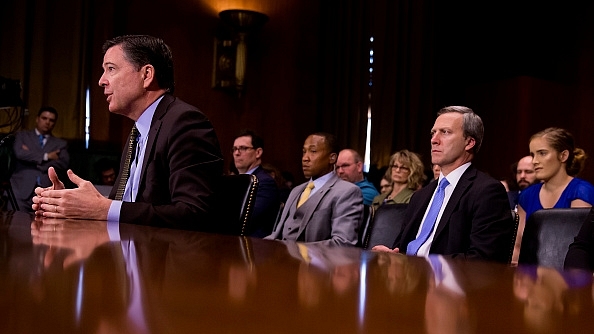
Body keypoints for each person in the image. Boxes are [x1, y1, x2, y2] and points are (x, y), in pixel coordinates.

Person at [31, 35, 224, 230]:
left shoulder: (185, 123)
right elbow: (125, 206)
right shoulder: (138, 131)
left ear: (146, 75)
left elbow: (193, 213)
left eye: (111, 69)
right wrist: (69, 203)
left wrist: (102, 208)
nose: (101, 81)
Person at [373, 106, 514, 263]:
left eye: (445, 132)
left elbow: (483, 259)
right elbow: (402, 248)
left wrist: (419, 265)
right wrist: (394, 257)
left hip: (449, 284)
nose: (434, 140)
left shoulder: (487, 191)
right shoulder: (420, 196)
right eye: (433, 133)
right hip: (407, 281)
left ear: (469, 142)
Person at [265, 132, 363, 246]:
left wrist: (296, 250)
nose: (305, 158)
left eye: (313, 151)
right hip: (280, 257)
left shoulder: (347, 192)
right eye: (304, 152)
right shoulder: (296, 190)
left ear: (332, 158)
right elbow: (277, 235)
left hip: (312, 262)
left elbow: (342, 243)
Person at [513, 127, 594, 263]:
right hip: (530, 274)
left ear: (563, 156)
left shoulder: (582, 191)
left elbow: (579, 248)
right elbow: (517, 244)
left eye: (542, 153)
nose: (534, 161)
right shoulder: (527, 195)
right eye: (533, 155)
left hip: (567, 274)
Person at [10, 106, 69, 212]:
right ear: (37, 119)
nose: (47, 122)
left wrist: (31, 158)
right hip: (20, 190)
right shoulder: (22, 136)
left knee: (42, 227)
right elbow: (19, 153)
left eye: (51, 120)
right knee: (14, 226)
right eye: (44, 118)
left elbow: (63, 163)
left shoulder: (60, 144)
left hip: (45, 193)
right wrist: (47, 156)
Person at [232, 129, 280, 237]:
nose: (236, 153)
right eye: (234, 149)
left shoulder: (265, 183)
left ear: (258, 152)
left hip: (253, 245)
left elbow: (244, 218)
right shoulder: (234, 181)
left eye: (243, 148)